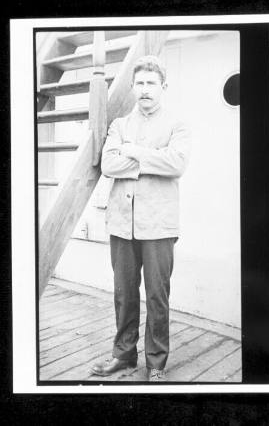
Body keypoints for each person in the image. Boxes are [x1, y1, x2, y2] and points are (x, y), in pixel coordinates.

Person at [91, 55, 191, 382]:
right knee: (124, 293)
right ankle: (123, 356)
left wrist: (132, 152)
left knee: (157, 296)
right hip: (121, 223)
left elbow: (176, 164)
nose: (145, 89)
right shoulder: (120, 126)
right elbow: (108, 165)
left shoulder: (177, 124)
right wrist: (149, 160)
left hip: (159, 225)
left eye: (151, 83)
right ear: (133, 87)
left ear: (163, 87)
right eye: (140, 83)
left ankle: (157, 364)